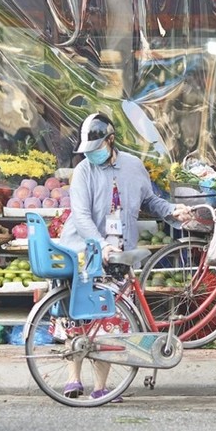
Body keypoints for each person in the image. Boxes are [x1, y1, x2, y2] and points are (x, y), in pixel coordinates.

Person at [54, 112, 194, 402]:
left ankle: (101, 387)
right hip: (84, 250)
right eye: (88, 151)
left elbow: (150, 201)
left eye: (96, 149)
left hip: (119, 253)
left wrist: (172, 210)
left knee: (109, 320)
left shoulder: (133, 166)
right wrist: (100, 244)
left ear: (111, 140)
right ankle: (73, 378)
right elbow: (80, 216)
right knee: (78, 317)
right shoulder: (83, 172)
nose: (91, 155)